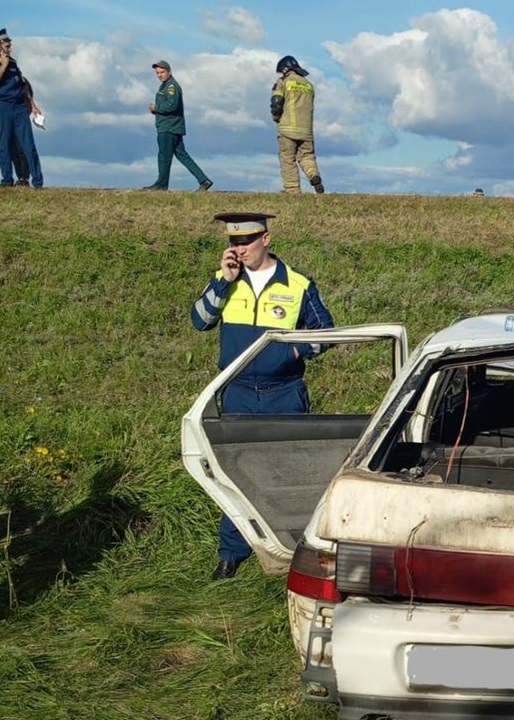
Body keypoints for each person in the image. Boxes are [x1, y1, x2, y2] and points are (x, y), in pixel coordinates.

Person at [190, 212, 334, 579]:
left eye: (246, 243)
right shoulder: (225, 282)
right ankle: (231, 553)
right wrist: (223, 282)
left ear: (265, 240)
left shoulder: (298, 283)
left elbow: (327, 331)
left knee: (289, 472)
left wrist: (294, 353)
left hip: (284, 393)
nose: (239, 250)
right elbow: (199, 320)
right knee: (234, 474)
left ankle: (294, 551)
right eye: (233, 243)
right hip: (237, 394)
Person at [144, 60, 212, 191]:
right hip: (172, 127)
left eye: (162, 72)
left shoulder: (171, 87)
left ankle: (161, 184)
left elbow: (171, 105)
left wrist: (156, 108)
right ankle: (204, 180)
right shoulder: (165, 86)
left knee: (164, 155)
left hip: (168, 128)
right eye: (157, 73)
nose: (160, 75)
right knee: (182, 155)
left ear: (169, 71)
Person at [271, 56, 324, 194]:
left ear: (285, 69)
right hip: (306, 130)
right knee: (307, 156)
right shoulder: (308, 85)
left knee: (287, 159)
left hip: (287, 128)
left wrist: (276, 118)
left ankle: (292, 190)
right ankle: (314, 175)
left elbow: (276, 103)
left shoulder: (283, 82)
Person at [0, 28, 43, 189]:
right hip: (3, 106)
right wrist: (3, 66)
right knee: (3, 145)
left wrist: (33, 105)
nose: (9, 44)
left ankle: (37, 181)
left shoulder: (14, 63)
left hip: (19, 107)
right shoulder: (4, 63)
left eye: (9, 42)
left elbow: (23, 86)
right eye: (6, 42)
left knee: (28, 144)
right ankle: (6, 181)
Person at [9, 77, 40, 186]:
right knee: (12, 148)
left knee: (21, 147)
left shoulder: (17, 77)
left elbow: (26, 90)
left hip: (19, 112)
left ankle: (24, 178)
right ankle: (21, 177)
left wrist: (32, 106)